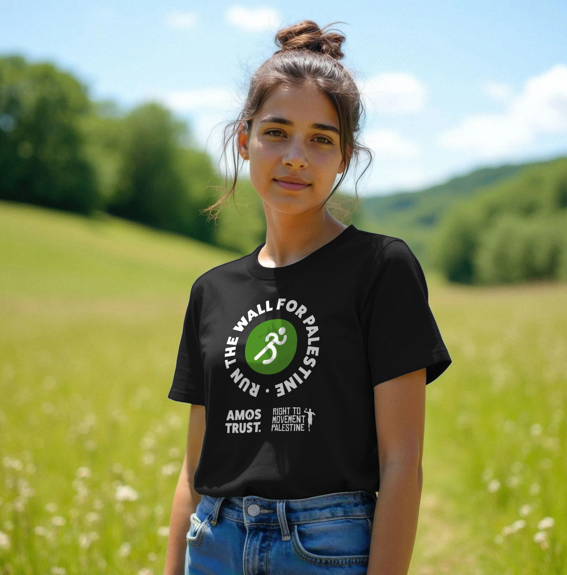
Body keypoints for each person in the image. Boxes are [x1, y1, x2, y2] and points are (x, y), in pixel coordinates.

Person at [164, 19, 452, 575]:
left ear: (345, 157)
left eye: (321, 139)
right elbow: (192, 469)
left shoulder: (381, 268)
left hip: (326, 549)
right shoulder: (212, 290)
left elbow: (401, 461)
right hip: (215, 542)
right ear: (244, 141)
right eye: (276, 132)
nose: (296, 155)